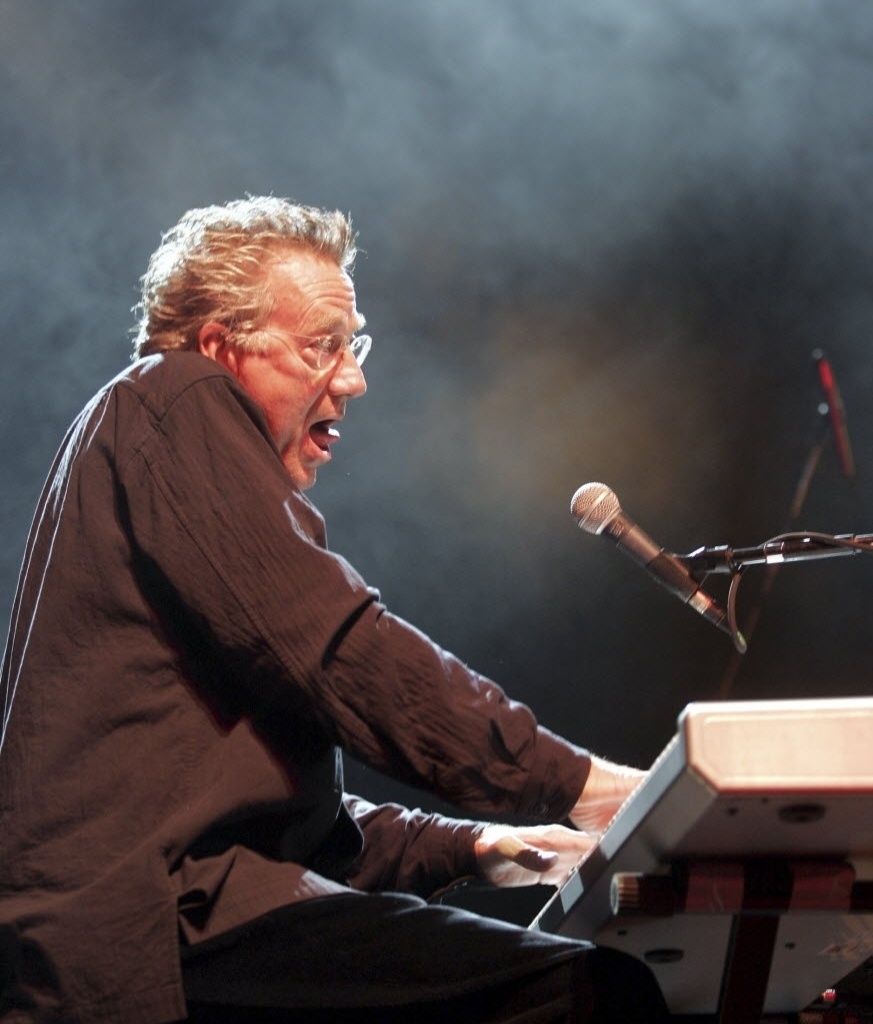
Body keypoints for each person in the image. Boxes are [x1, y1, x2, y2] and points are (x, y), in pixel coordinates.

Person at [0, 197, 668, 1024]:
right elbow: (342, 651)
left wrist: (476, 846)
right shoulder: (174, 395)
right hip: (148, 941)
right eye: (323, 346)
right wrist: (584, 786)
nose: (351, 379)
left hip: (198, 918)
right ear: (220, 348)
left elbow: (279, 814)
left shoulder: (169, 466)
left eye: (353, 346)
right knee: (589, 994)